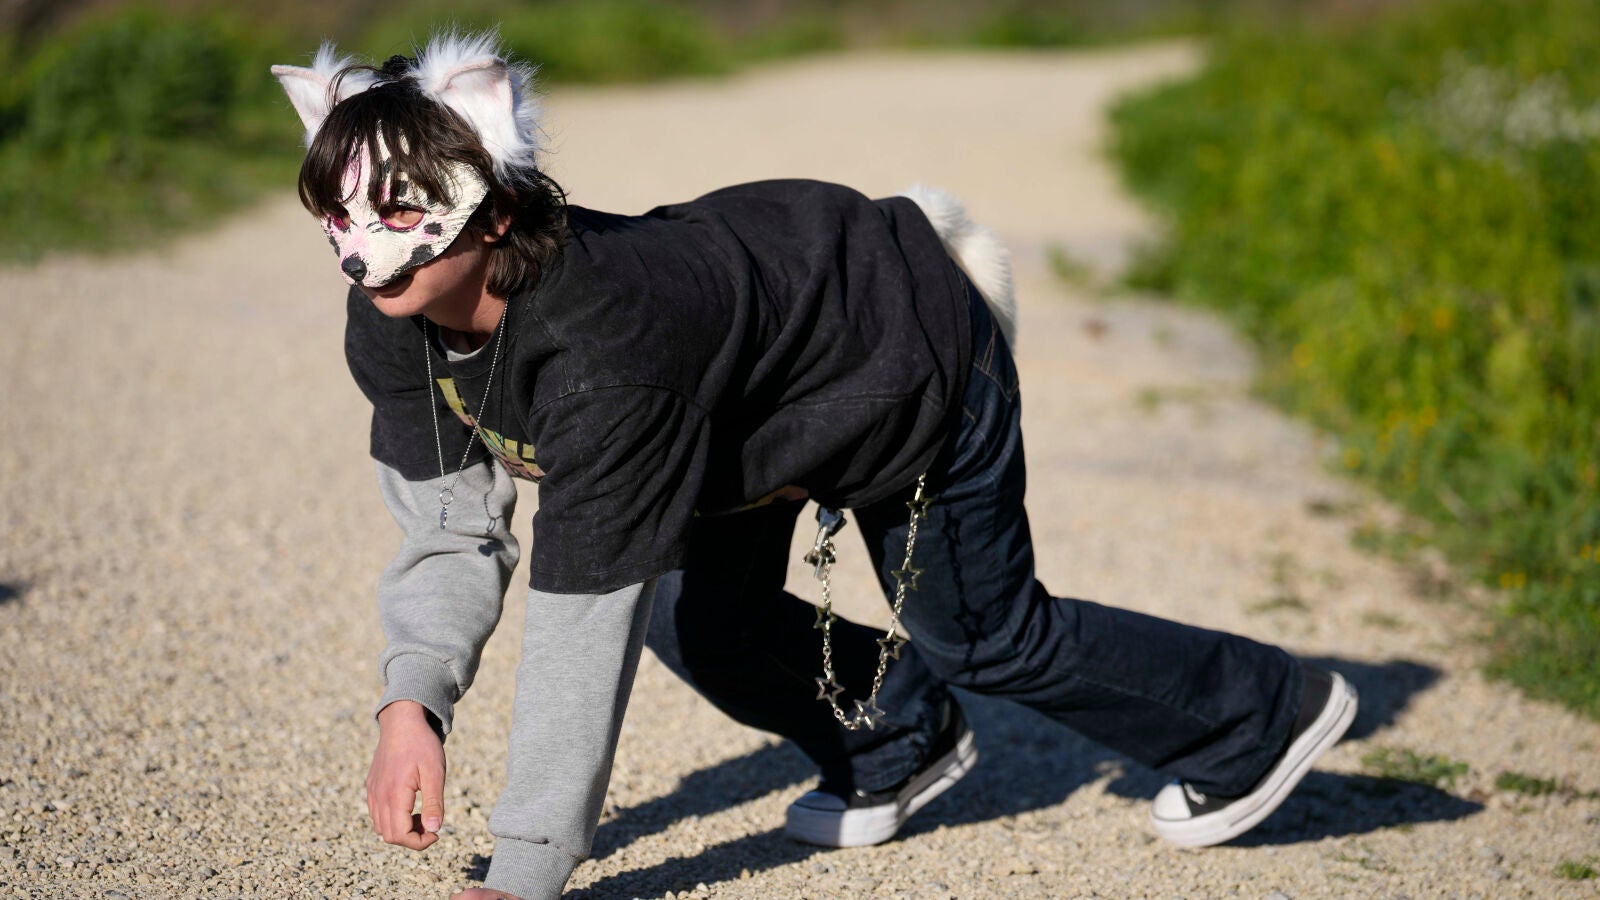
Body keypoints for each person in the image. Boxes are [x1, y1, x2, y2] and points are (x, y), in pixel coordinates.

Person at [272, 32, 1358, 900]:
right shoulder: (392, 311)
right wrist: (411, 705)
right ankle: (899, 740)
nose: (362, 248)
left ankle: (1262, 714)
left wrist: (523, 871)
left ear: (495, 207)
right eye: (339, 215)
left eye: (402, 211)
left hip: (899, 345)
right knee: (699, 618)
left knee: (983, 634)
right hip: (752, 401)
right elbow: (451, 527)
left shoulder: (601, 353)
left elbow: (577, 620)